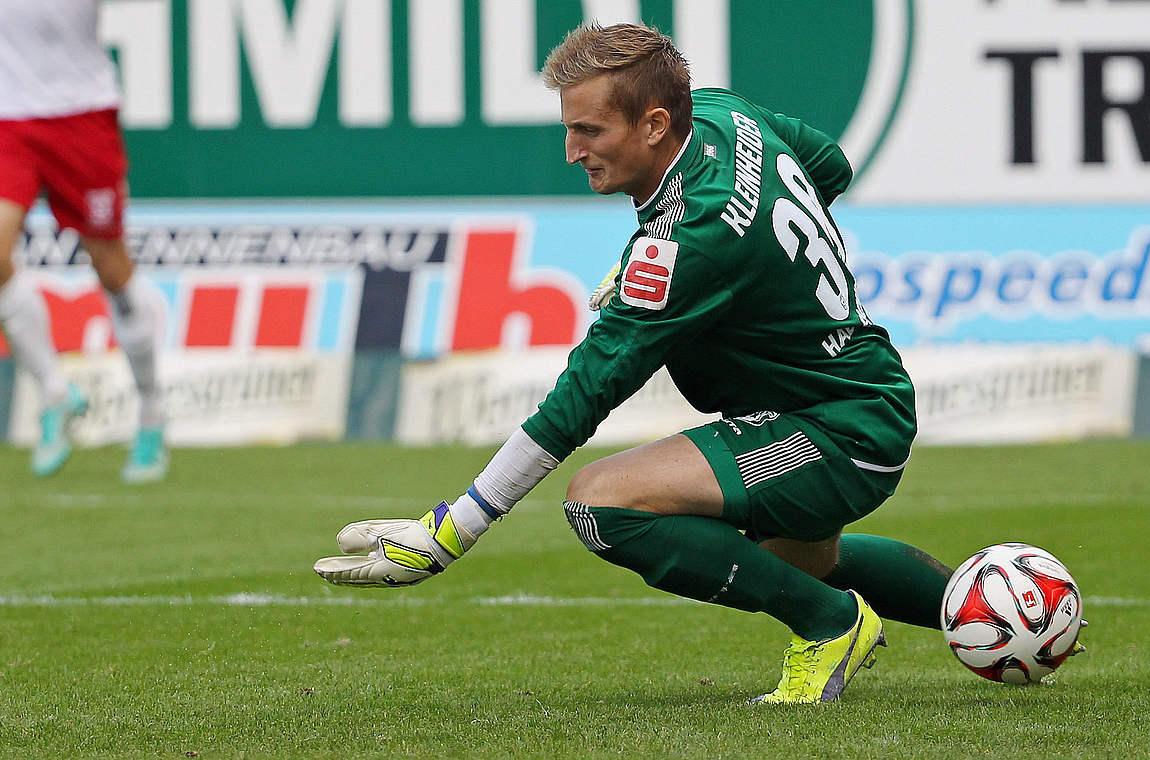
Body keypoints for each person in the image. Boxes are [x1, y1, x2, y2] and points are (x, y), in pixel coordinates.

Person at [314, 22, 954, 703]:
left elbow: (586, 394)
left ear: (653, 124)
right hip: (853, 395)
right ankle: (985, 604)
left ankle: (831, 627)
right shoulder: (722, 113)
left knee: (603, 503)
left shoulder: (686, 244)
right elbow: (829, 167)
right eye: (569, 128)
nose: (571, 151)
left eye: (590, 131)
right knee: (793, 561)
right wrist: (759, 267)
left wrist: (455, 528)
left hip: (840, 432)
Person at [0, 0, 167, 482]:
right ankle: (55, 393)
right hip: (4, 119)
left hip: (80, 115)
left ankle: (151, 411)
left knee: (111, 268)